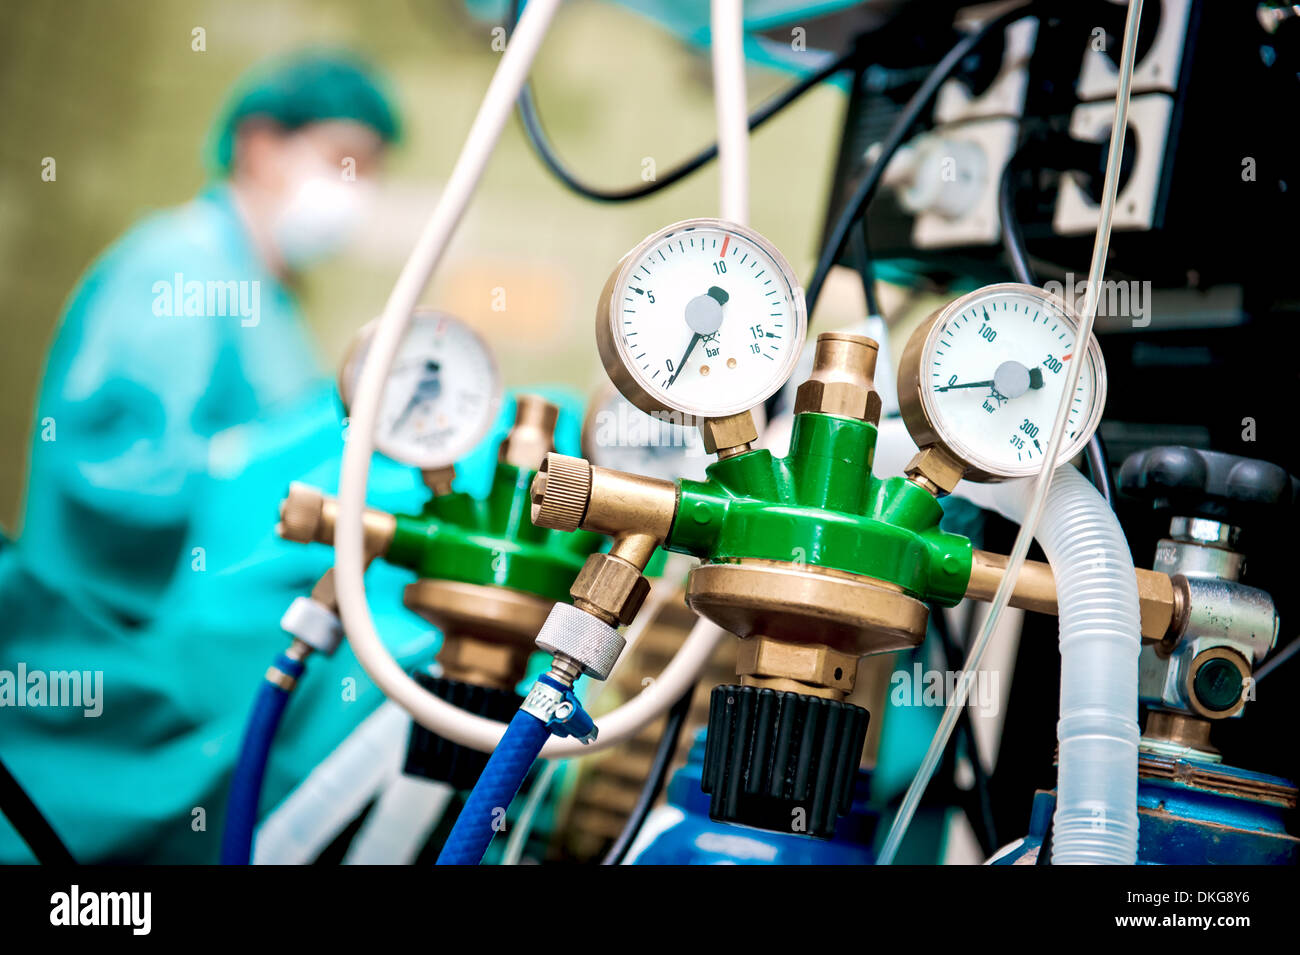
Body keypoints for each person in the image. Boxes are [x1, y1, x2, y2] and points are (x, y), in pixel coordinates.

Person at [0, 51, 446, 864]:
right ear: (261, 144)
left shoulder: (264, 293)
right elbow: (111, 473)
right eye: (345, 160)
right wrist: (251, 475)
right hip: (110, 653)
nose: (359, 187)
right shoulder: (180, 266)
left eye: (373, 169)